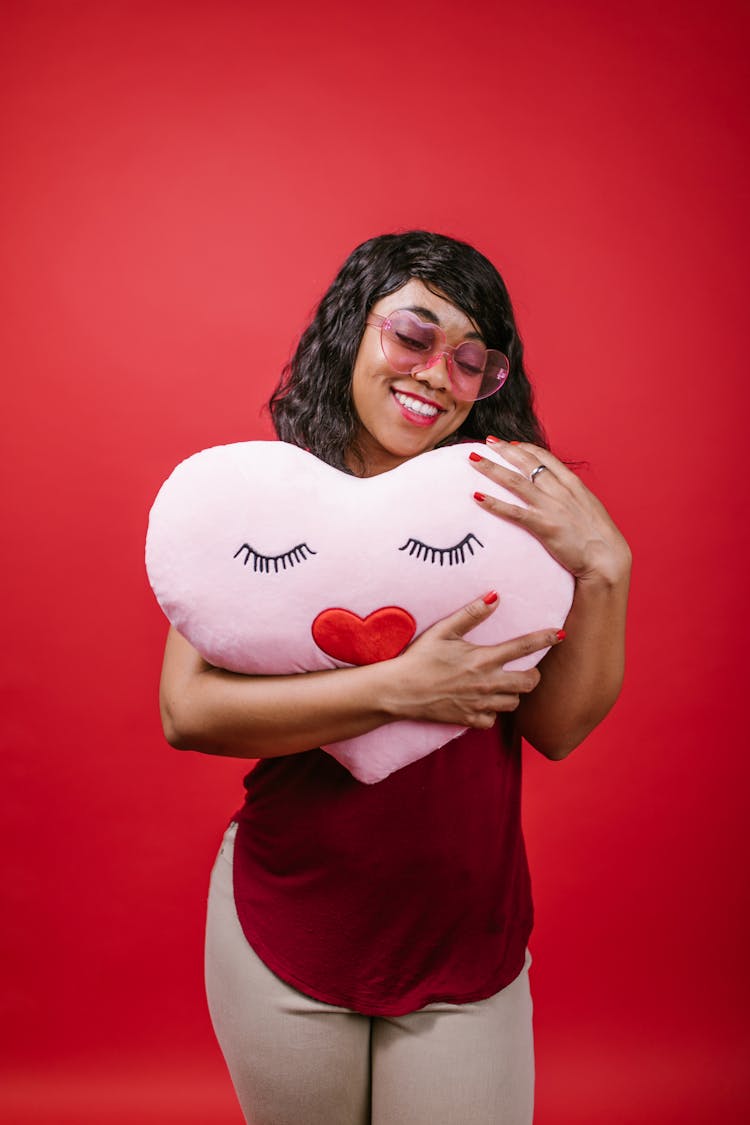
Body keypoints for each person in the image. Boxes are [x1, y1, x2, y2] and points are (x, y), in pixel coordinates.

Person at [158, 231, 631, 1125]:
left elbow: (558, 728)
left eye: (470, 360)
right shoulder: (267, 497)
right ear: (353, 330)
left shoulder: (511, 508)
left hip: (466, 932)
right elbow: (187, 710)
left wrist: (607, 569)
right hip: (290, 917)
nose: (434, 376)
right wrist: (398, 689)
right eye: (412, 337)